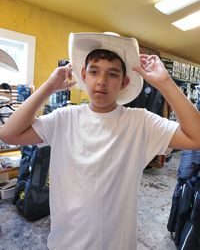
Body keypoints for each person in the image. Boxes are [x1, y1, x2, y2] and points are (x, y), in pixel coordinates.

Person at [0, 32, 200, 250]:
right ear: (84, 75)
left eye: (112, 74)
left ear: (124, 82)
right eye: (94, 72)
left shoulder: (140, 122)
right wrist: (49, 86)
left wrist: (165, 82)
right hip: (66, 242)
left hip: (116, 243)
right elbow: (9, 133)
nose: (102, 81)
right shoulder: (63, 119)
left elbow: (196, 137)